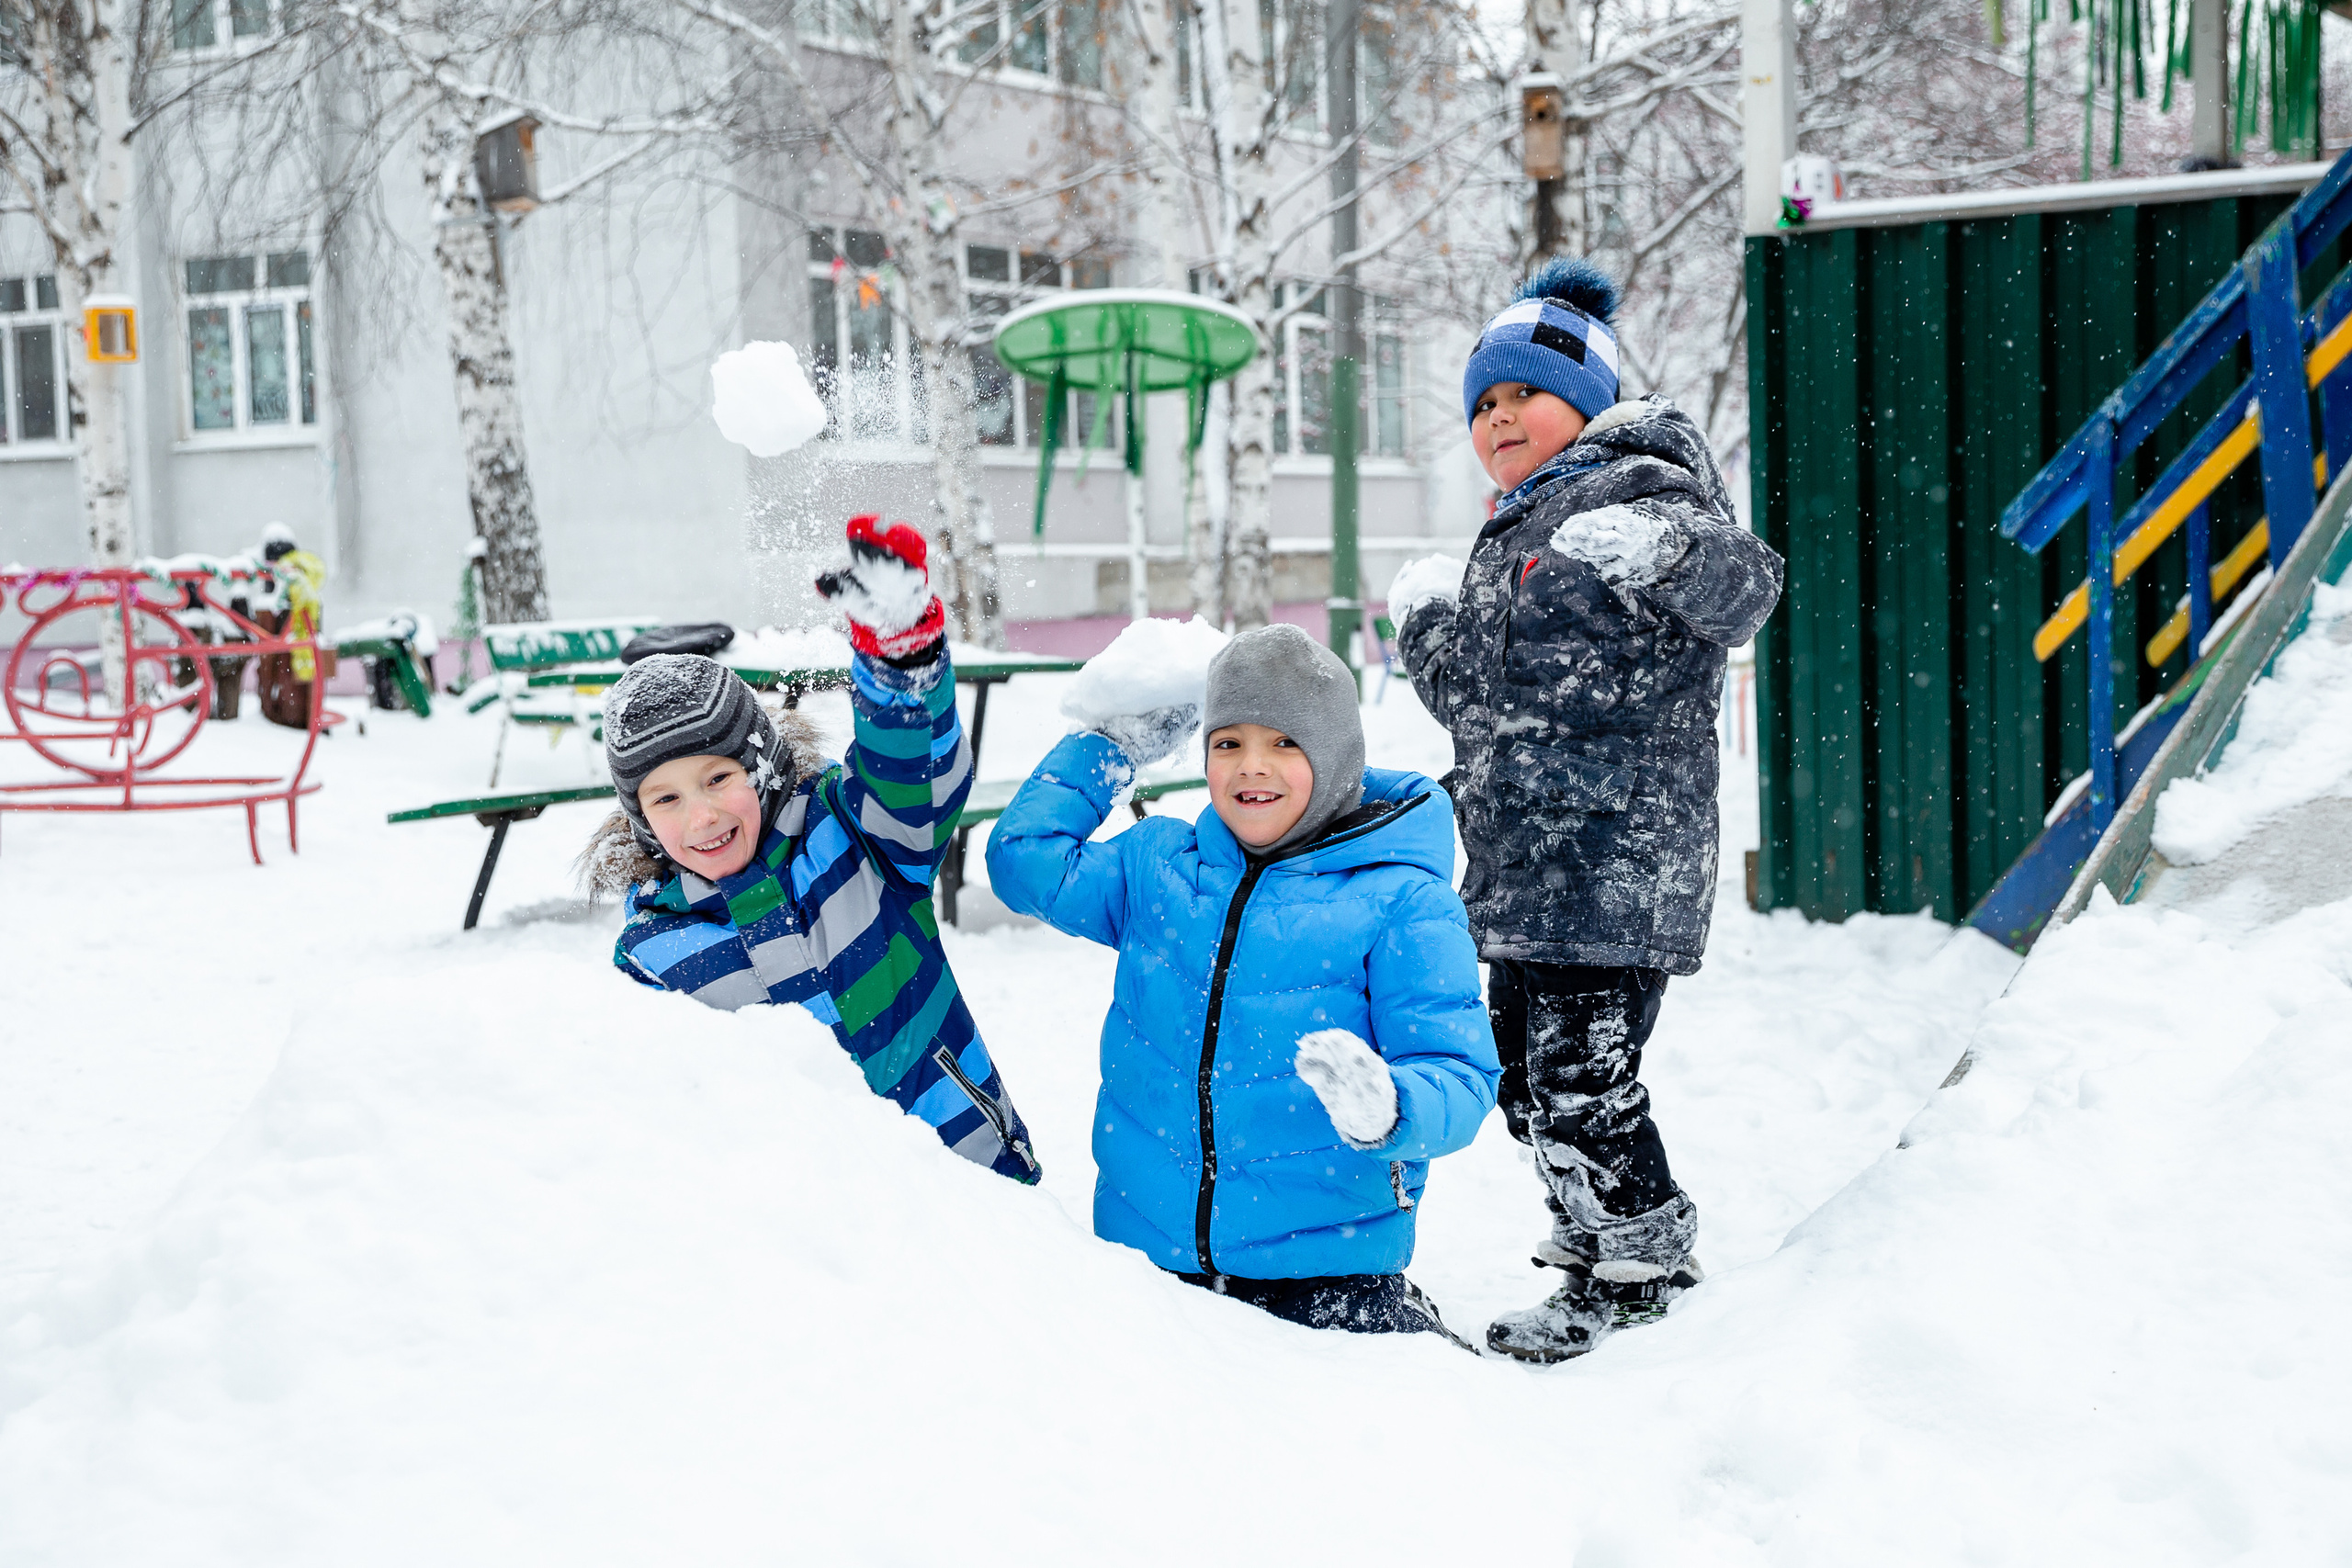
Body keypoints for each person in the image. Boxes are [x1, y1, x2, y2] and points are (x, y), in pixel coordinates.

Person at [1391, 258, 1784, 1362]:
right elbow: (1483, 705)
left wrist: (1670, 551)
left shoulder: (1643, 487)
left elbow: (1747, 589)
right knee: (1525, 1087)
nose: (1499, 416)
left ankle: (1640, 1270)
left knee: (1580, 1081)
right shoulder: (1510, 534)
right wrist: (1429, 630)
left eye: (1524, 392)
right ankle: (1592, 1248)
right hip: (1521, 867)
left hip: (1615, 858)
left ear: (1588, 400)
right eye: (1482, 402)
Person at [987, 624, 1498, 1339]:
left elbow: (1461, 1074)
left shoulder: (1401, 901)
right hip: (1150, 1267)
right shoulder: (1160, 868)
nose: (1252, 766)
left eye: (1285, 742)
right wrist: (1111, 748)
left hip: (1326, 1276)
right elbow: (1023, 860)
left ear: (1334, 754)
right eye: (1228, 742)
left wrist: (1392, 1106)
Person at [582, 514, 1041, 1183]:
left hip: (972, 1173)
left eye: (719, 779)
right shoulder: (654, 955)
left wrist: (902, 663)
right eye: (666, 798)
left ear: (764, 766)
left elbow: (915, 780)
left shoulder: (854, 835)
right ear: (642, 819)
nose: (701, 816)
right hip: (820, 1222)